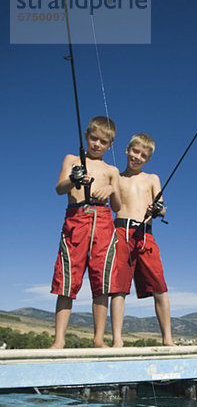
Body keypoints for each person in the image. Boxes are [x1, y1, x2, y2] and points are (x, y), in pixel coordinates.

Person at [50, 116, 121, 348]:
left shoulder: (112, 170)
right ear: (86, 136)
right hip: (75, 219)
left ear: (110, 145)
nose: (97, 144)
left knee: (101, 281)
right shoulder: (72, 159)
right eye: (93, 138)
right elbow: (60, 189)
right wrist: (73, 180)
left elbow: (118, 207)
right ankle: (59, 339)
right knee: (67, 277)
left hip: (103, 220)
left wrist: (111, 189)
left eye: (103, 141)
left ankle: (98, 339)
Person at [111, 133, 173, 347]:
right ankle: (117, 341)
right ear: (127, 149)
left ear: (148, 160)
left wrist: (157, 210)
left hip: (145, 234)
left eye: (143, 155)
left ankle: (168, 339)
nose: (137, 157)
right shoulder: (115, 177)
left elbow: (162, 208)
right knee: (118, 288)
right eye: (135, 151)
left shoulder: (152, 178)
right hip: (120, 232)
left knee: (160, 287)